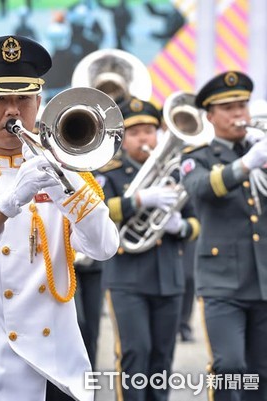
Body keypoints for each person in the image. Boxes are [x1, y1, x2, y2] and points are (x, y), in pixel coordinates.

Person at [0, 35, 119, 401]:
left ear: (39, 102)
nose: (12, 111)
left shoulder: (67, 171)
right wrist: (10, 201)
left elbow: (105, 246)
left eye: (23, 99)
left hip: (58, 370)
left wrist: (69, 184)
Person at [97, 98, 199, 401]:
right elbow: (99, 213)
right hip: (127, 279)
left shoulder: (177, 173)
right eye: (135, 132)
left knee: (162, 359)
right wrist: (138, 201)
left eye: (149, 131)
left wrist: (179, 227)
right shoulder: (110, 173)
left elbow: (196, 224)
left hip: (169, 277)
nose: (144, 138)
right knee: (134, 353)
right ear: (123, 139)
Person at [181, 71, 267, 401]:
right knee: (230, 367)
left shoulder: (259, 150)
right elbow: (202, 189)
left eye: (242, 105)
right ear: (210, 116)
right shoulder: (196, 156)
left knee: (261, 373)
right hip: (222, 283)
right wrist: (246, 165)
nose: (238, 114)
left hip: (262, 279)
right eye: (229, 108)